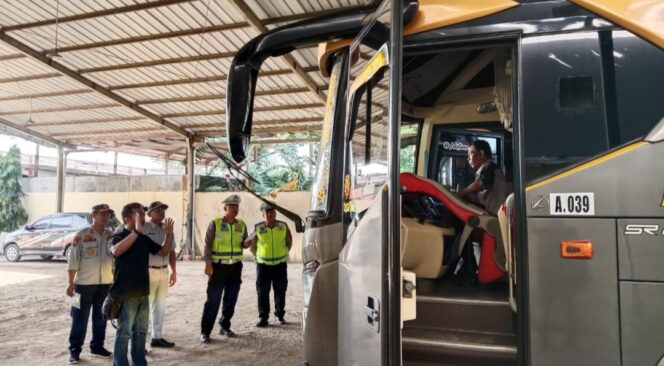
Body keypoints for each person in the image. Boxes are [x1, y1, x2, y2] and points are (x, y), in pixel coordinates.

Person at [111, 202, 174, 366]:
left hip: (142, 291)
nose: (143, 216)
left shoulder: (144, 238)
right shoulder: (120, 234)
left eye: (143, 213)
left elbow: (163, 251)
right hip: (125, 293)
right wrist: (136, 232)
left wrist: (169, 234)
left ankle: (139, 362)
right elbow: (116, 251)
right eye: (139, 213)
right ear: (127, 218)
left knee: (140, 332)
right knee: (124, 333)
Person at [66, 204, 115, 364]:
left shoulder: (110, 235)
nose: (106, 217)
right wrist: (70, 283)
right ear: (93, 215)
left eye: (107, 214)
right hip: (82, 285)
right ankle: (74, 351)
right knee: (79, 318)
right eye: (102, 214)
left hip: (105, 283)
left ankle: (97, 347)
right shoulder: (81, 235)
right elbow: (73, 261)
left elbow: (114, 260)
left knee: (101, 317)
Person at [199, 194, 249, 343]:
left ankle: (225, 326)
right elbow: (207, 245)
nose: (235, 209)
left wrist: (247, 244)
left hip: (235, 267)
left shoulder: (241, 224)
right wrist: (208, 264)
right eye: (232, 206)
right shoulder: (215, 223)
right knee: (213, 300)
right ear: (225, 208)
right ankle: (205, 332)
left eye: (236, 206)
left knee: (230, 299)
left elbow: (243, 244)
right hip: (218, 266)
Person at [246, 202, 292, 327]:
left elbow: (289, 241)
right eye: (267, 212)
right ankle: (263, 317)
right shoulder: (258, 227)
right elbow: (252, 245)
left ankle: (280, 315)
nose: (270, 214)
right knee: (262, 292)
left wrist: (283, 252)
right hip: (263, 266)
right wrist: (259, 255)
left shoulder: (283, 226)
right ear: (263, 214)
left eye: (272, 212)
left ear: (275, 213)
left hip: (280, 265)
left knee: (280, 290)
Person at [144, 201, 177, 348]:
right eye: (157, 210)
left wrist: (173, 271)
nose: (162, 212)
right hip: (148, 271)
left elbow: (171, 251)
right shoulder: (144, 228)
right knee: (145, 306)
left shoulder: (166, 228)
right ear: (149, 213)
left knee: (160, 306)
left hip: (163, 270)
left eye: (163, 209)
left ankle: (157, 337)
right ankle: (141, 341)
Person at [459, 140, 512, 215]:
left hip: (496, 217)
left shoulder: (490, 167)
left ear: (481, 154)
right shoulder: (484, 170)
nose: (468, 159)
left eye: (470, 154)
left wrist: (459, 194)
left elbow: (480, 183)